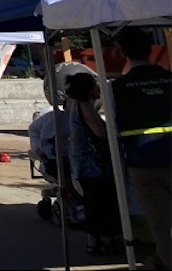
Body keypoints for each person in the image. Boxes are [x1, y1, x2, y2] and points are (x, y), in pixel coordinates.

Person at [112, 27, 171, 271]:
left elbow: (112, 124)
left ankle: (164, 261)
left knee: (161, 224)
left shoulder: (117, 88)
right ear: (151, 49)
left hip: (143, 163)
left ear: (123, 52)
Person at [68, 71, 122, 256]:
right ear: (89, 89)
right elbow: (100, 132)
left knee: (94, 202)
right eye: (96, 84)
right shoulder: (85, 106)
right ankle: (98, 240)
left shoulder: (76, 105)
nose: (99, 88)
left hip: (84, 164)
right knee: (98, 203)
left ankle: (96, 240)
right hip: (91, 165)